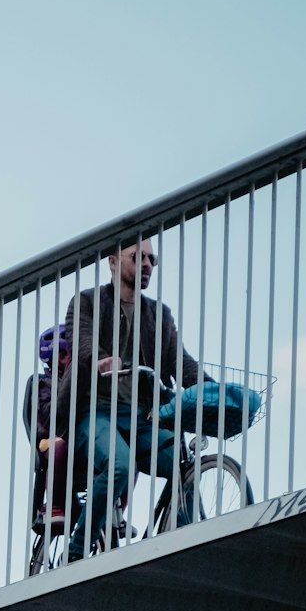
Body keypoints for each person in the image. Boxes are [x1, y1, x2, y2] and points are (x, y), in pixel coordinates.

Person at [58, 238, 206, 560]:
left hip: (141, 417)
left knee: (184, 467)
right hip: (94, 412)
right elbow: (82, 341)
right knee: (119, 465)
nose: (147, 265)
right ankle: (77, 550)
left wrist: (212, 389)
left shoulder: (159, 316)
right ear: (113, 262)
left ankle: (188, 541)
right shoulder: (86, 302)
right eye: (137, 257)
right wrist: (98, 359)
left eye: (152, 260)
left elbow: (180, 363)